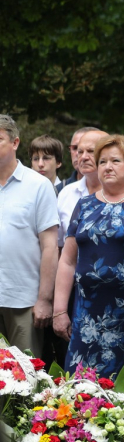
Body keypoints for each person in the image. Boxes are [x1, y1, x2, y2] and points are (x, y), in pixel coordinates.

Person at [52, 135, 124, 378]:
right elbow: (67, 261)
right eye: (102, 162)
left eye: (115, 161)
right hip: (87, 314)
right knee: (83, 386)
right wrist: (59, 311)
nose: (107, 167)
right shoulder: (84, 205)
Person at [0, 116, 59, 359]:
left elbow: (50, 246)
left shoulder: (38, 185)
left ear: (15, 143)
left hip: (23, 300)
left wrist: (45, 299)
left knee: (25, 374)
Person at [56, 128, 124, 247]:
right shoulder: (66, 193)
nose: (83, 157)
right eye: (80, 151)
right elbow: (59, 245)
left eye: (91, 151)